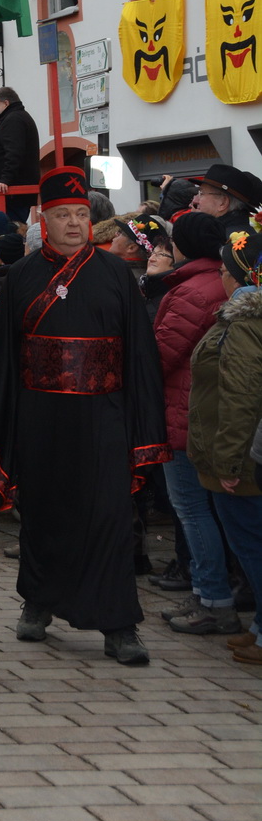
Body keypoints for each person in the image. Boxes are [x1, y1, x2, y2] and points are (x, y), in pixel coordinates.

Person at [0, 167, 170, 667]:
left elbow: (139, 357)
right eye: (63, 215)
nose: (72, 224)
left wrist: (144, 422)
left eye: (81, 215)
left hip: (104, 417)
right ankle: (38, 603)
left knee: (109, 516)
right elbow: (0, 357)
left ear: (92, 220)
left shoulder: (116, 276)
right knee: (43, 515)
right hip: (41, 417)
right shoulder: (22, 276)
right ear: (44, 219)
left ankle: (119, 624)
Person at [152, 212, 240, 637]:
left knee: (191, 509)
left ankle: (212, 597)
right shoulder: (216, 283)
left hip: (185, 413)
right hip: (207, 415)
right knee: (207, 511)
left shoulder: (191, 290)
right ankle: (209, 594)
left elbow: (162, 354)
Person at [187, 227, 262, 669]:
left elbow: (241, 394)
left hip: (242, 460)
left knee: (252, 547)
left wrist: (230, 461)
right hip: (240, 453)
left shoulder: (247, 321)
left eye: (224, 271)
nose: (221, 277)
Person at [0, 87, 41, 222]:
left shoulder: (14, 119)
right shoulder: (10, 118)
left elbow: (14, 152)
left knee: (8, 228)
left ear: (6, 103)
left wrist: (5, 179)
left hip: (11, 195)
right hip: (6, 194)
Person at [189, 162, 262, 240]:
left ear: (223, 203)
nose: (196, 200)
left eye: (202, 193)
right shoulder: (242, 235)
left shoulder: (221, 241)